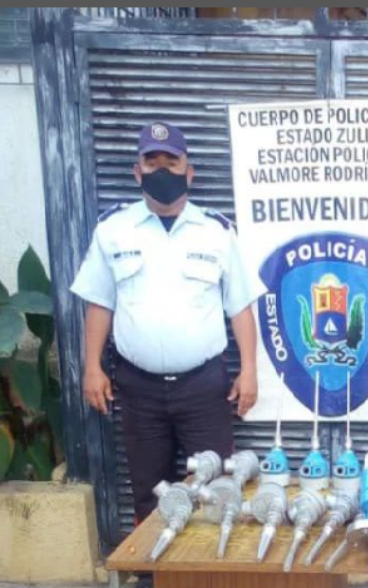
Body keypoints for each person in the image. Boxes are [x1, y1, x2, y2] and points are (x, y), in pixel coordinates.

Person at [71, 123, 263, 585]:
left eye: (171, 162)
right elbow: (100, 304)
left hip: (204, 387)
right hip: (137, 388)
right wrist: (92, 367)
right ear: (137, 171)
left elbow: (240, 307)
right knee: (149, 490)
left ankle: (209, 578)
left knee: (215, 489)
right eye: (152, 162)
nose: (162, 170)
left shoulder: (216, 232)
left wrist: (250, 370)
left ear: (188, 171)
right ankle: (152, 578)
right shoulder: (113, 230)